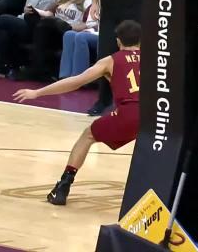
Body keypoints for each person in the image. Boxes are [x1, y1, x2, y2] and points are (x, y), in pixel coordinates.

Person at [13, 20, 141, 205]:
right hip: (156, 116)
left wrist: (37, 92)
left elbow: (76, 82)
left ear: (118, 41)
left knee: (88, 135)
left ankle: (63, 186)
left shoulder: (110, 61)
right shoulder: (155, 60)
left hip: (128, 113)